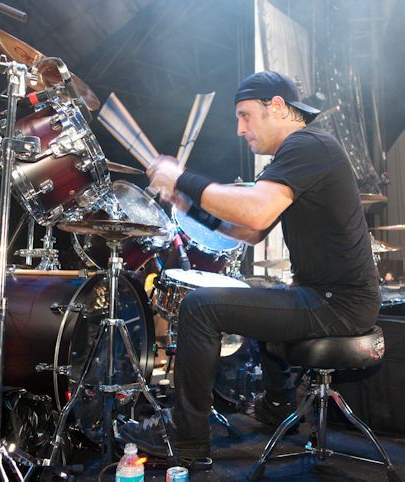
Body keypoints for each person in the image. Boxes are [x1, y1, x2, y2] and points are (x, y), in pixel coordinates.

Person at [119, 71, 381, 460]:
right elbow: (250, 232)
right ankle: (277, 406)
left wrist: (184, 178)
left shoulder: (308, 145)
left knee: (199, 307)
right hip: (329, 298)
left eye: (245, 116)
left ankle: (186, 436)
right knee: (254, 292)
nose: (240, 129)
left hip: (337, 303)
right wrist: (189, 206)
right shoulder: (301, 152)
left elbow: (255, 212)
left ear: (277, 106)